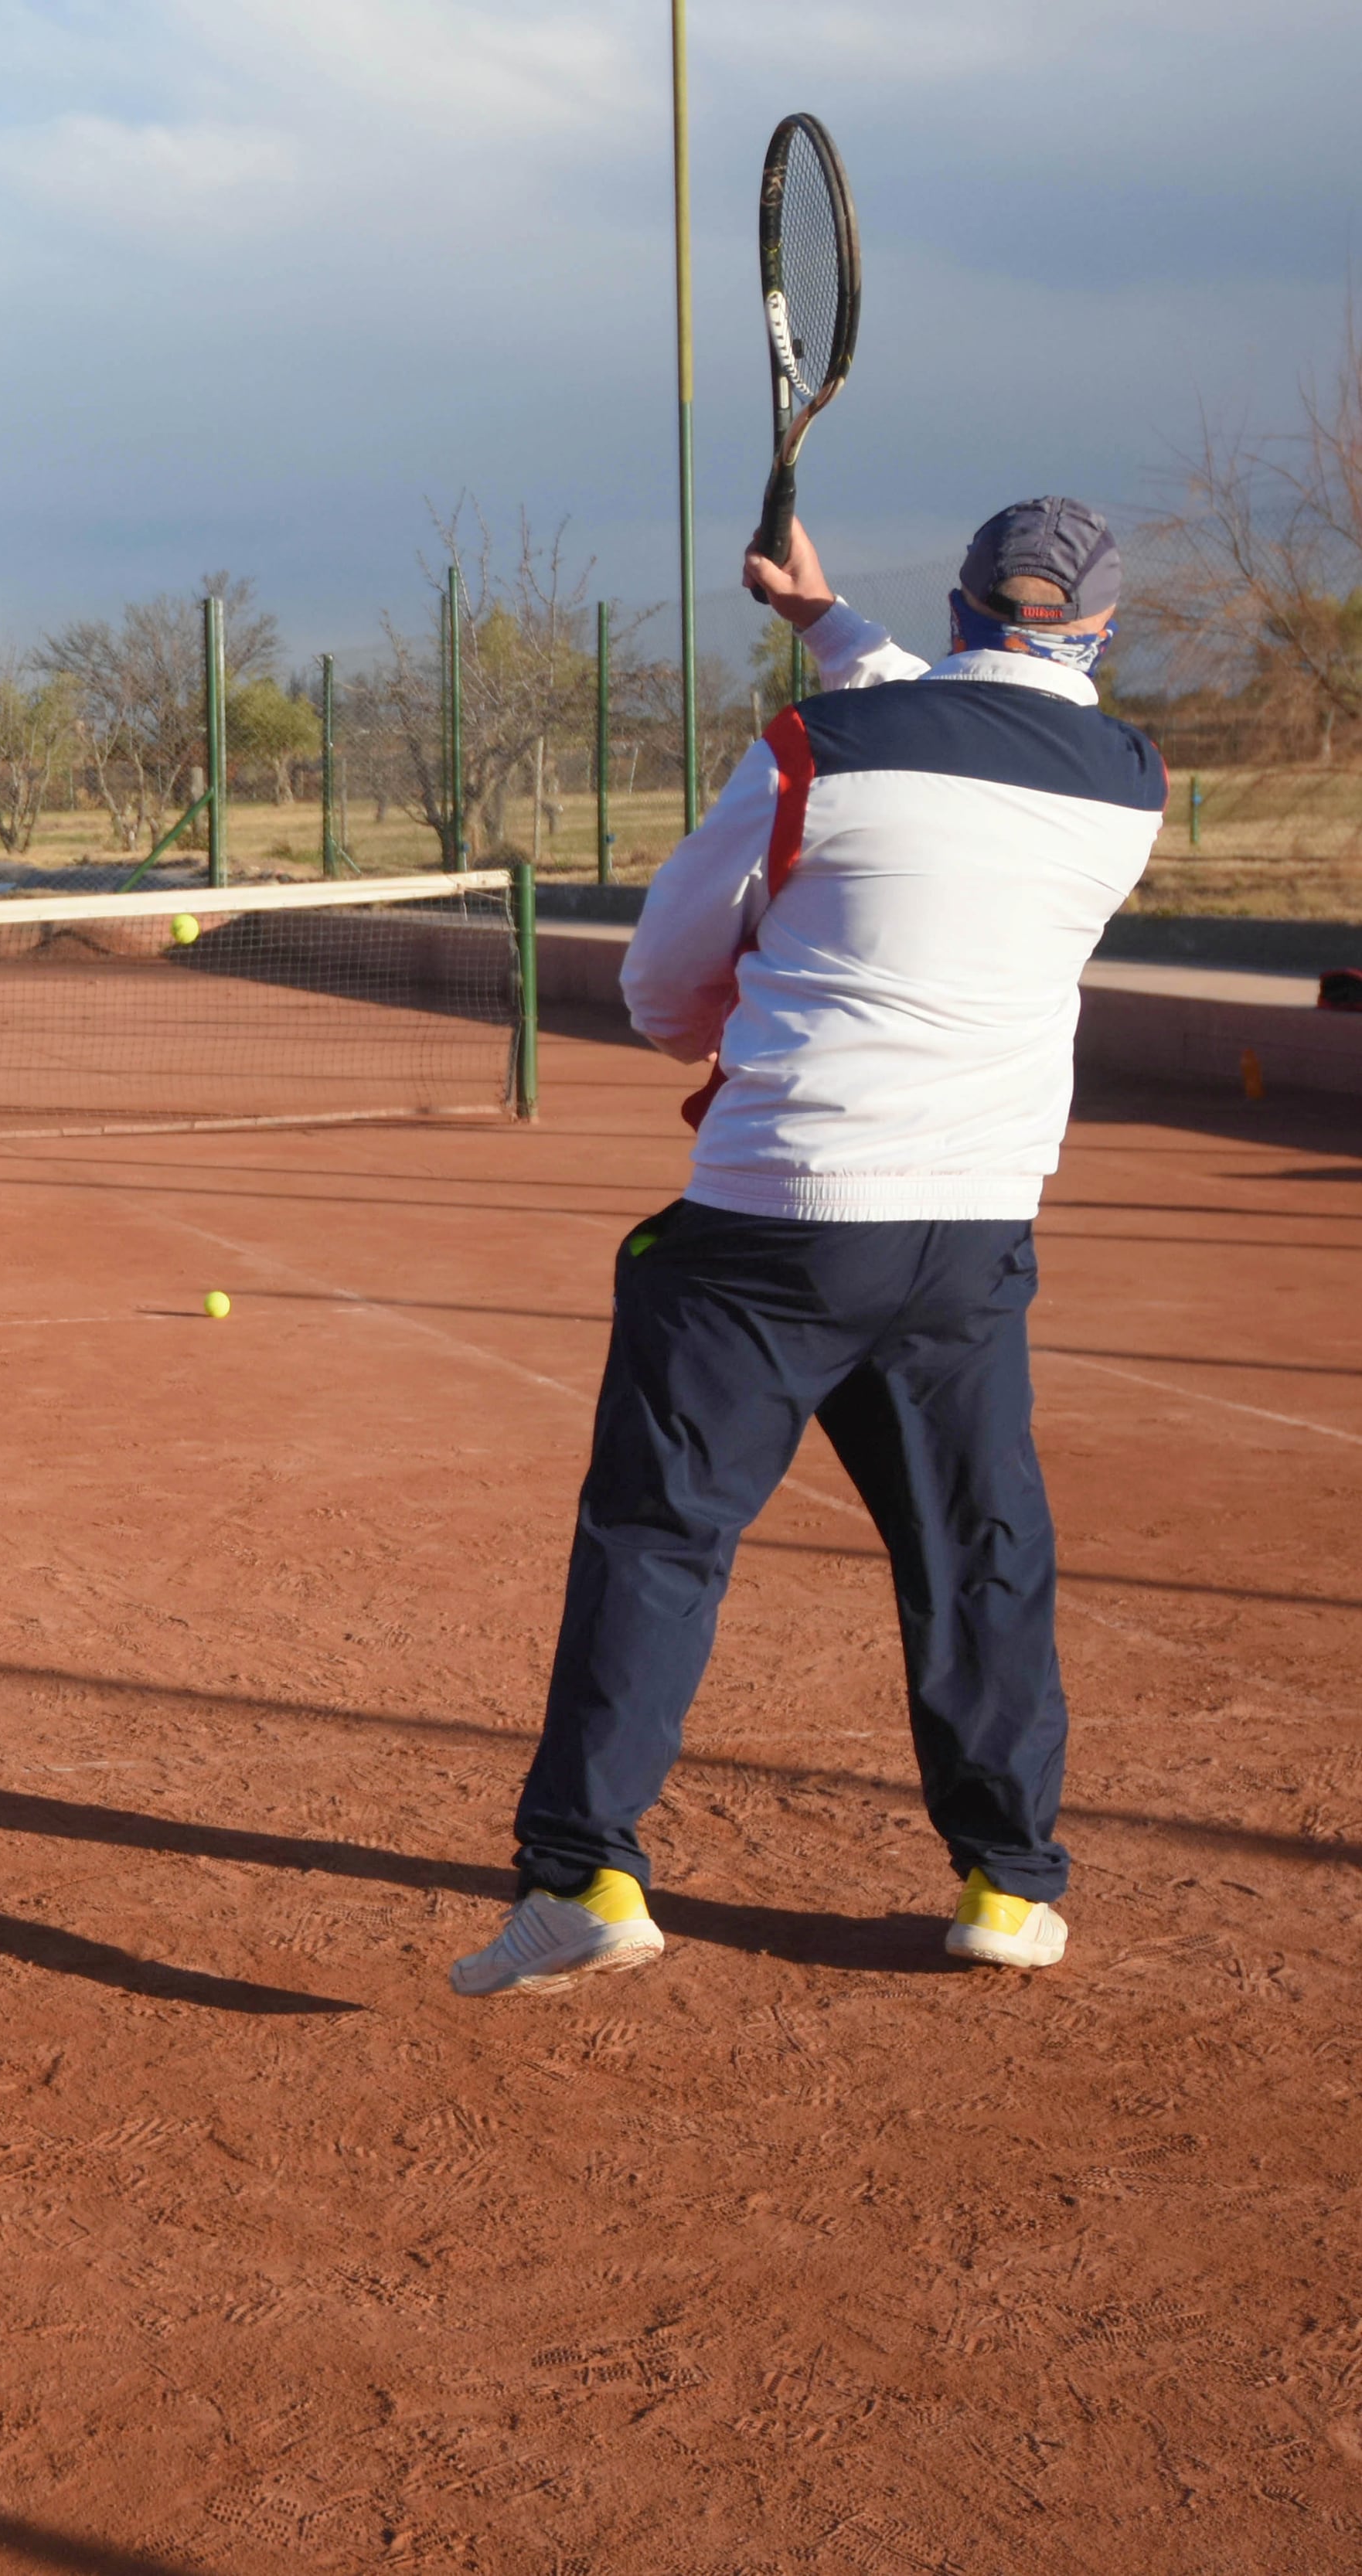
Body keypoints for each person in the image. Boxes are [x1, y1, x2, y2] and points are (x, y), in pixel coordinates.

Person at [451, 499, 1166, 2000]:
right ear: (1099, 632)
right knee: (977, 1547)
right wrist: (828, 627)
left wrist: (734, 1010)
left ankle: (582, 1864)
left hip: (772, 1218)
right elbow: (978, 718)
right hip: (968, 1232)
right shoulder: (1127, 780)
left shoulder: (812, 750)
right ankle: (1008, 1879)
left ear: (964, 605)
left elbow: (661, 985)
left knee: (659, 1533)